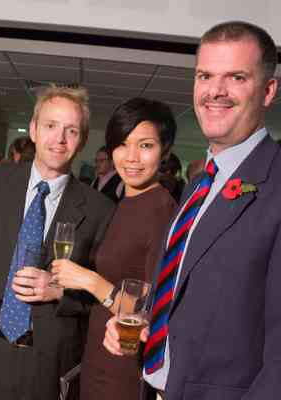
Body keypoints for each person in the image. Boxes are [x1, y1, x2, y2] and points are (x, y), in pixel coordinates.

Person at [103, 21, 281, 400]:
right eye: (205, 76)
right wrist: (143, 322)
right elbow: (186, 291)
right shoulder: (198, 185)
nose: (215, 91)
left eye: (236, 77)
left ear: (268, 90)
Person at [0, 85, 114, 400]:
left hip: (47, 362)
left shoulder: (100, 210)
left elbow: (102, 299)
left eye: (71, 130)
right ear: (33, 129)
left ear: (82, 139)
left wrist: (60, 293)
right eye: (50, 125)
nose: (59, 139)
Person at [51, 97, 177, 400]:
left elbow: (154, 311)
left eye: (145, 145)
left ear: (165, 151)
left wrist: (90, 281)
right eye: (122, 144)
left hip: (124, 367)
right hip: (97, 355)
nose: (131, 157)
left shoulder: (162, 211)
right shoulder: (122, 202)